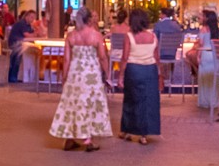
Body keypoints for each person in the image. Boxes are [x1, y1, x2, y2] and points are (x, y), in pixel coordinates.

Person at [49, 8, 114, 151]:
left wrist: (64, 77)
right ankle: (87, 139)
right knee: (89, 103)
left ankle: (69, 138)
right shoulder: (96, 36)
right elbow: (102, 57)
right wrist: (107, 74)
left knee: (73, 103)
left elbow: (66, 59)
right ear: (89, 19)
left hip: (75, 73)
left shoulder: (71, 36)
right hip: (91, 74)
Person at [118, 8, 161, 144]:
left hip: (134, 70)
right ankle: (144, 135)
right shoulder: (153, 36)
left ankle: (127, 131)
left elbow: (125, 57)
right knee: (148, 102)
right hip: (150, 70)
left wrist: (120, 76)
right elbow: (156, 57)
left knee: (131, 100)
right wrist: (160, 74)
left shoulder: (129, 36)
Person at [192, 9, 219, 111]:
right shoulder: (218, 30)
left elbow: (200, 44)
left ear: (207, 18)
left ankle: (204, 102)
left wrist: (198, 56)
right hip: (215, 56)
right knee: (214, 79)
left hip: (205, 54)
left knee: (204, 79)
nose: (200, 17)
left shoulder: (203, 29)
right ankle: (214, 101)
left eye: (202, 16)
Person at [6, 10, 38, 83]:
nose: (32, 19)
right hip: (15, 43)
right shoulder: (22, 23)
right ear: (26, 16)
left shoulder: (28, 25)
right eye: (31, 17)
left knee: (17, 59)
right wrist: (35, 33)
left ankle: (13, 77)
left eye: (34, 18)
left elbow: (31, 34)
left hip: (20, 42)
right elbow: (27, 35)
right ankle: (12, 78)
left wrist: (34, 32)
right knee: (16, 59)